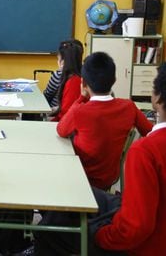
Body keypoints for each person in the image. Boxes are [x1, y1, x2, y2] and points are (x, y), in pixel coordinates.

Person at [94, 62, 166, 256]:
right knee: (96, 197)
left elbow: (135, 228)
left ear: (157, 97)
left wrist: (100, 236)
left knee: (77, 224)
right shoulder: (128, 107)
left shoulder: (146, 151)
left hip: (146, 245)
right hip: (124, 194)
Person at [57, 51, 153, 190]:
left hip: (82, 179)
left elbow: (61, 130)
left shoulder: (80, 111)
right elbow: (150, 132)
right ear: (114, 80)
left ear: (83, 83)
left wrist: (81, 97)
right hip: (109, 179)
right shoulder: (129, 107)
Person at [43, 39, 84, 110]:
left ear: (62, 61)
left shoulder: (59, 75)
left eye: (58, 59)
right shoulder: (85, 74)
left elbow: (47, 97)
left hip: (56, 113)